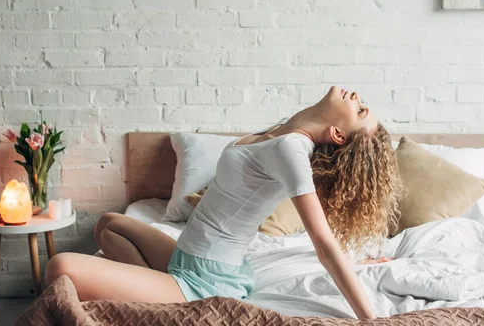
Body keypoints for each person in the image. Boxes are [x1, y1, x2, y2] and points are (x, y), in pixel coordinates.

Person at [44, 85, 403, 320]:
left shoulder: (291, 149)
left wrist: (370, 319)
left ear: (338, 134)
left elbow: (323, 244)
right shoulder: (284, 132)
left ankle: (167, 307)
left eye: (360, 110)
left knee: (61, 267)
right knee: (109, 224)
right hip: (188, 260)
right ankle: (156, 303)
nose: (356, 96)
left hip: (206, 282)